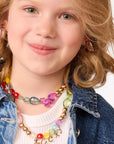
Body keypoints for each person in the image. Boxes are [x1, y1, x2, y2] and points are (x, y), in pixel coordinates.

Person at [0, 0, 114, 143]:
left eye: (66, 16)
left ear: (88, 32)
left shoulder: (105, 126)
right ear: (5, 19)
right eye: (31, 10)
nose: (45, 30)